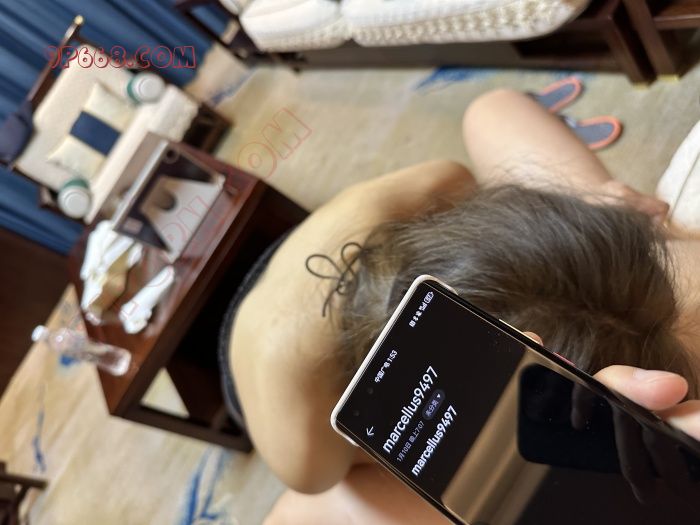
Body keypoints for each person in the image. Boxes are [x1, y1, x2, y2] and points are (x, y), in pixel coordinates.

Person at [223, 88, 700, 524]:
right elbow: (454, 169)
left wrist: (595, 195)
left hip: (394, 241)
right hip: (269, 335)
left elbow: (490, 110)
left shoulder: (609, 253)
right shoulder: (304, 452)